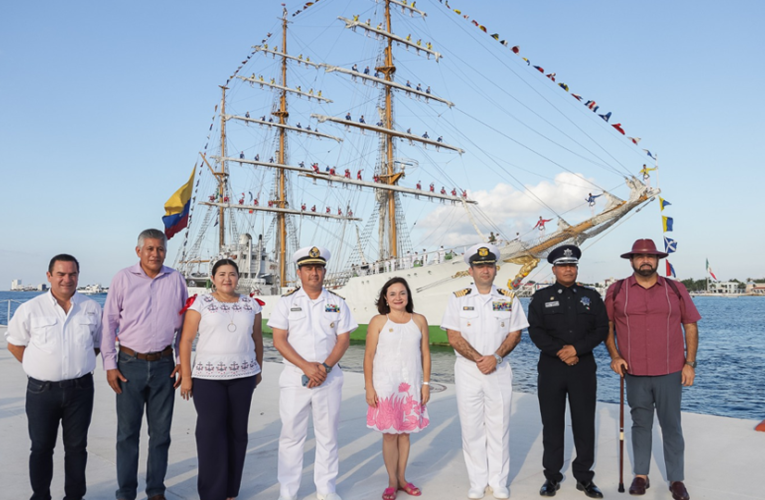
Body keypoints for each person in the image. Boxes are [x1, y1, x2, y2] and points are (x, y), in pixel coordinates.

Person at [604, 239, 700, 500]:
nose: (645, 260)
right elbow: (607, 327)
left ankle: (676, 479)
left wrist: (690, 363)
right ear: (631, 260)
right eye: (639, 257)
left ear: (658, 260)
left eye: (650, 257)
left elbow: (690, 325)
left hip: (670, 369)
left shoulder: (676, 289)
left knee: (671, 425)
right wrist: (614, 356)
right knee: (640, 424)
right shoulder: (617, 290)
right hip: (633, 371)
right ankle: (641, 475)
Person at [6, 254, 102, 500]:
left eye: (72, 274)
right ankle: (40, 496)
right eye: (61, 274)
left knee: (77, 449)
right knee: (40, 448)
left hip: (80, 390)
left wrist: (76, 364)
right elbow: (15, 344)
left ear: (78, 276)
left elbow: (97, 344)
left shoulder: (91, 308)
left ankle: (74, 496)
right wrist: (39, 366)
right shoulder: (30, 308)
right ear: (49, 276)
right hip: (41, 392)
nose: (66, 279)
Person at [102, 228, 188, 500]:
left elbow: (185, 325)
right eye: (149, 248)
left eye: (160, 249)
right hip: (129, 364)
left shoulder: (176, 279)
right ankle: (126, 492)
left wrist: (182, 361)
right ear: (138, 251)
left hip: (164, 365)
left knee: (161, 435)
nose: (155, 253)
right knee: (127, 435)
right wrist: (109, 364)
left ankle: (155, 491)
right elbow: (109, 322)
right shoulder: (123, 278)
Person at [268, 247, 358, 500]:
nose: (314, 273)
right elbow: (279, 340)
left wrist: (325, 368)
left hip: (329, 378)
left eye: (318, 268)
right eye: (308, 268)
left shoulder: (337, 303)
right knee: (291, 437)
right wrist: (307, 367)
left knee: (328, 435)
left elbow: (343, 341)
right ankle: (288, 491)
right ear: (299, 272)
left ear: (324, 271)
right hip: (295, 378)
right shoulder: (287, 303)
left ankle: (326, 489)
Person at [441, 244, 529, 499]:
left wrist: (496, 357)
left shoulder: (508, 297)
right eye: (480, 266)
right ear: (471, 270)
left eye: (489, 265)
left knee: (499, 426)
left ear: (495, 269)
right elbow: (453, 336)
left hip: (499, 370)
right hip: (468, 370)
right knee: (471, 428)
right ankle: (477, 481)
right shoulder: (458, 298)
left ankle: (498, 482)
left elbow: (515, 333)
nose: (485, 270)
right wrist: (481, 359)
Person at [179, 259, 264, 500]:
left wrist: (258, 369)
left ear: (238, 277)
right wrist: (187, 376)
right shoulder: (201, 303)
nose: (227, 279)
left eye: (232, 274)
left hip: (243, 377)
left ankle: (230, 491)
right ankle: (211, 493)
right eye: (222, 274)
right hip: (207, 378)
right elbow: (186, 341)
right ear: (213, 278)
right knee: (210, 434)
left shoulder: (251, 305)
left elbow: (257, 339)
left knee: (238, 434)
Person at [528, 245, 607, 498]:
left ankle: (584, 477)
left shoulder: (591, 297)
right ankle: (551, 477)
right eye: (563, 266)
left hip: (582, 368)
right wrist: (561, 351)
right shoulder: (541, 298)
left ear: (576, 268)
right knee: (552, 424)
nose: (568, 269)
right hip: (552, 369)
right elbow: (535, 331)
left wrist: (576, 349)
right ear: (554, 269)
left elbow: (601, 329)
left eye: (571, 265)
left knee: (584, 424)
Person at [364, 278, 431, 500]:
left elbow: (425, 354)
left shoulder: (419, 320)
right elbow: (369, 356)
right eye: (392, 294)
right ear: (385, 297)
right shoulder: (378, 321)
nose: (398, 297)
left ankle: (402, 478)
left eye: (402, 293)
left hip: (410, 385)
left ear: (408, 296)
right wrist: (369, 387)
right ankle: (392, 481)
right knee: (390, 435)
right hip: (385, 386)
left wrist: (426, 384)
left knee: (405, 434)